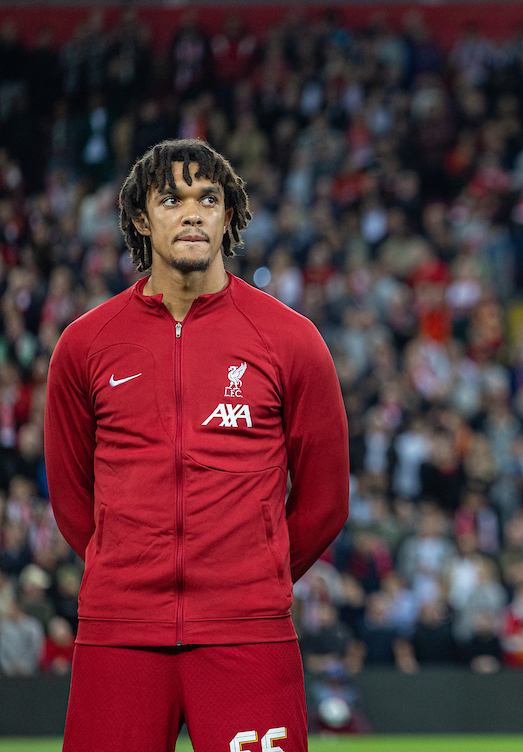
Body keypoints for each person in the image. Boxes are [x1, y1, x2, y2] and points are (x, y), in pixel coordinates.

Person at [45, 139, 349, 751]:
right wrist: (129, 573)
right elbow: (74, 503)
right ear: (140, 217)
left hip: (249, 637)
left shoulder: (292, 341)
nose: (192, 213)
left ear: (227, 215)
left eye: (208, 199)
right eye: (171, 199)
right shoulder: (84, 346)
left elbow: (325, 503)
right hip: (120, 634)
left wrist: (249, 578)